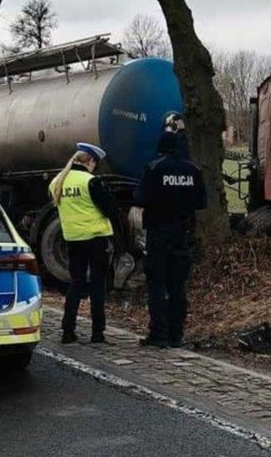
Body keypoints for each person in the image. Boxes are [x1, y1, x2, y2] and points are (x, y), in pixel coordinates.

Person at [131, 121, 207, 349]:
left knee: (156, 284)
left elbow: (140, 199)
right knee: (177, 286)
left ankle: (159, 334)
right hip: (182, 234)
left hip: (158, 233)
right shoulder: (193, 170)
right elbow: (201, 202)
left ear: (161, 148)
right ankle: (176, 335)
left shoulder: (154, 168)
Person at [49, 143, 120, 345]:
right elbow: (110, 209)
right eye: (94, 164)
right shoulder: (91, 181)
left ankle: (67, 331)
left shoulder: (57, 182)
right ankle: (97, 333)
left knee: (75, 284)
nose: (94, 168)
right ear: (90, 161)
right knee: (98, 285)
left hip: (72, 239)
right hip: (96, 239)